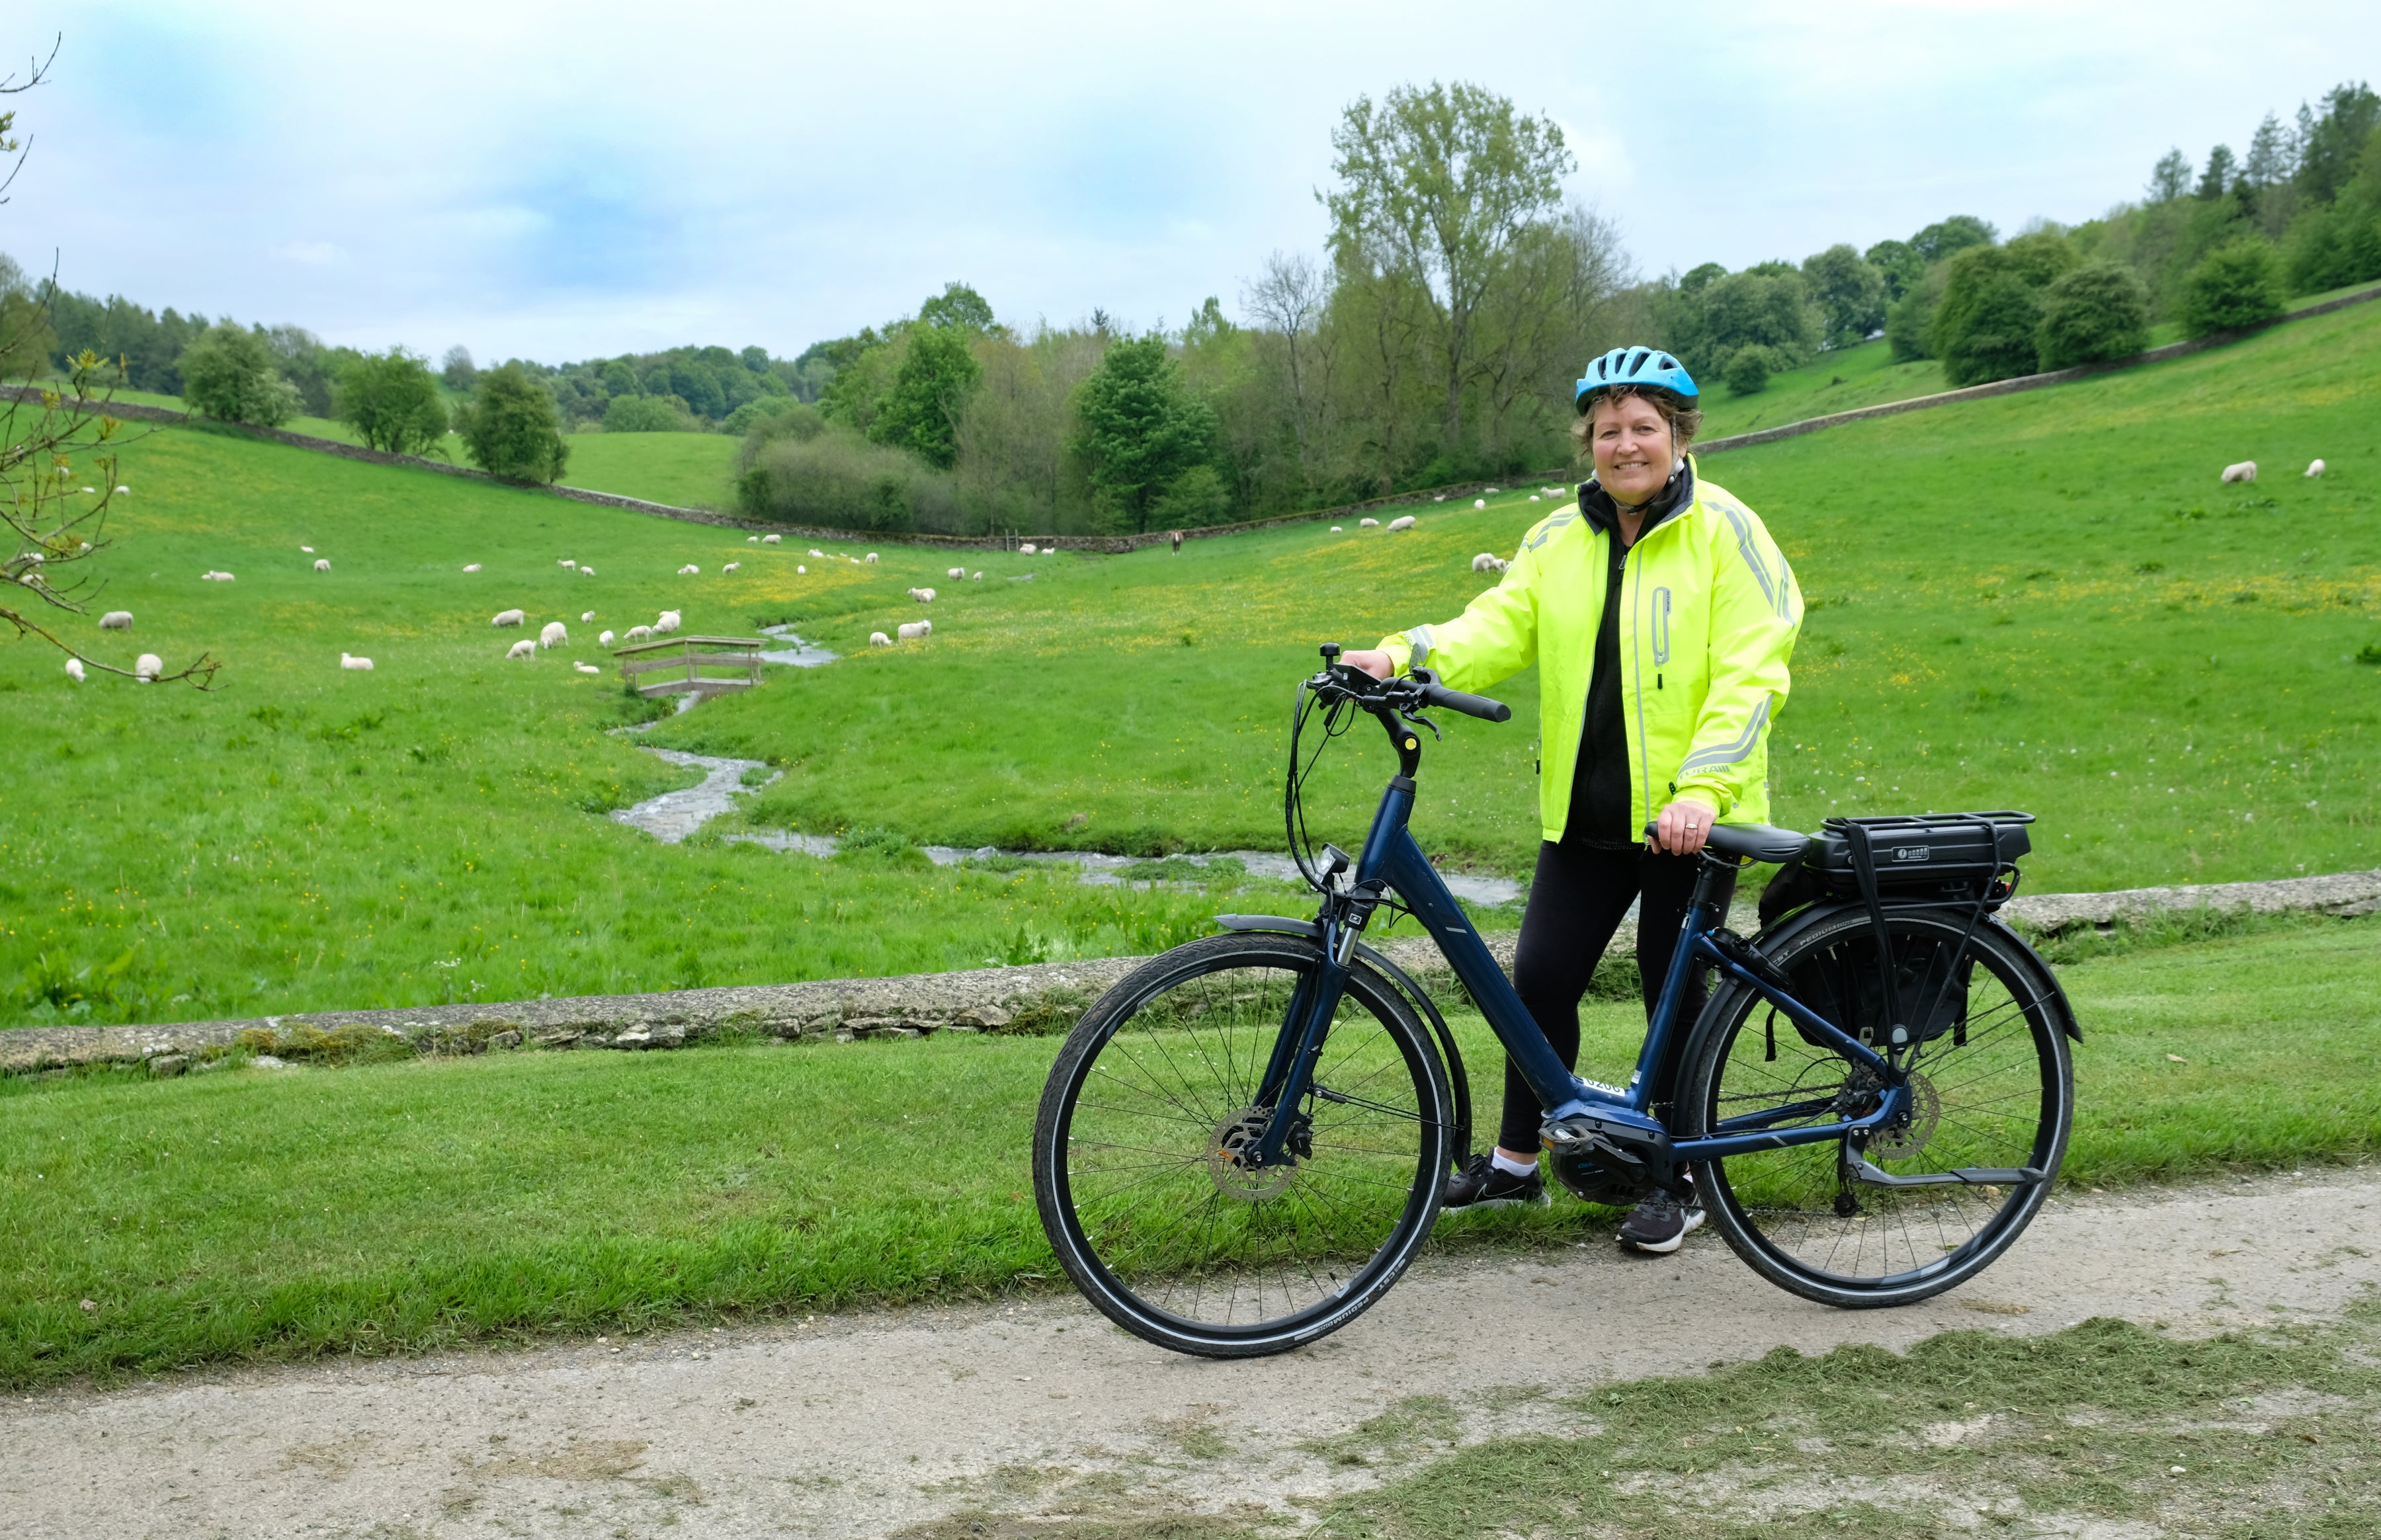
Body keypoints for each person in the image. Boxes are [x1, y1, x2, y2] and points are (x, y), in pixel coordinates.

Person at [1338, 346, 1801, 1254]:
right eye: (1608, 430)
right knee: (1540, 980)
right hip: (1585, 816)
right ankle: (1516, 1164)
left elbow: (1753, 672)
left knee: (1676, 990)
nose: (1626, 445)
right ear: (1588, 441)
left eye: (1644, 428)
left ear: (1678, 435)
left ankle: (1683, 1178)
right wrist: (1400, 654)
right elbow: (1495, 624)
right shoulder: (1560, 537)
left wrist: (1703, 789)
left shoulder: (1728, 533)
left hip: (1689, 824)